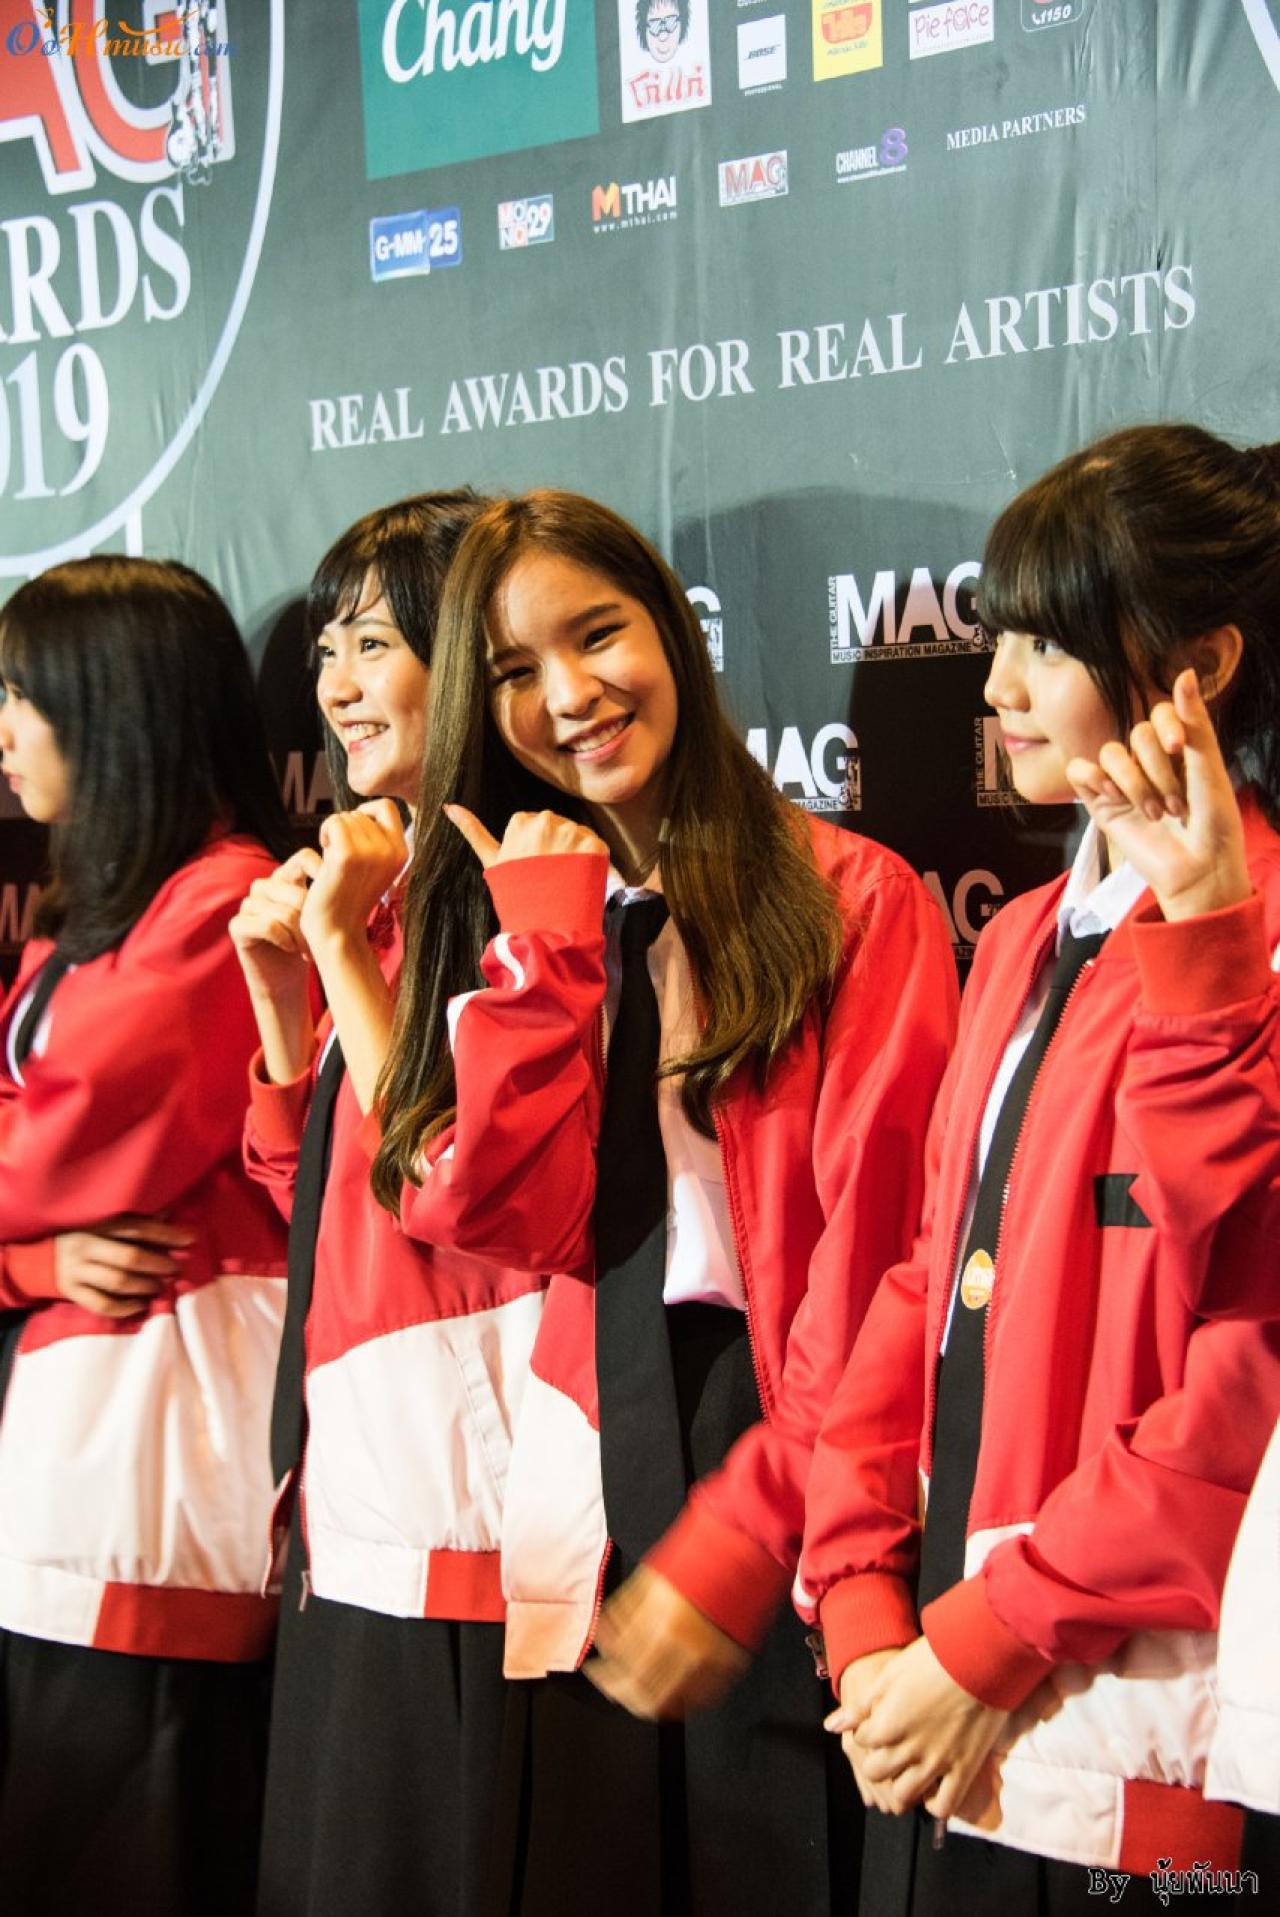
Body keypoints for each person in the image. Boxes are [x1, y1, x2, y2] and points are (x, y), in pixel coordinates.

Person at [369, 489, 958, 1916]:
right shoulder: (524, 910)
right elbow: (497, 1217)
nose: (569, 696)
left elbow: (882, 1264)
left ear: (674, 634)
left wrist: (755, 1528)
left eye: (598, 635)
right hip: (581, 1435)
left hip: (785, 1434)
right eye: (514, 671)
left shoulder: (853, 897)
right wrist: (546, 956)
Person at [801, 425, 1280, 1914]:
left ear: (1204, 664)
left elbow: (1242, 1381)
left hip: (1122, 1739)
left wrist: (983, 1642)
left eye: (1048, 644)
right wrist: (863, 1605)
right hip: (929, 1711)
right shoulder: (1017, 936)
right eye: (998, 634)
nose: (997, 685)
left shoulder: (1259, 938)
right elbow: (926, 1277)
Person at [232, 490, 545, 1917]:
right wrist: (285, 1002)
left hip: (472, 1521)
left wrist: (345, 960)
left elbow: (458, 1188)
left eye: (374, 644)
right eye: (327, 652)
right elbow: (321, 1210)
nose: (338, 685)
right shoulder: (374, 888)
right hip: (349, 1503)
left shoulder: (529, 895)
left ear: (467, 653)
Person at [0, 554, 295, 1915]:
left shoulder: (223, 902)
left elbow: (60, 1140)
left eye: (24, 694)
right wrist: (26, 1262)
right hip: (76, 1464)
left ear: (115, 706)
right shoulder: (92, 919)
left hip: (157, 1486)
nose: (4, 732)